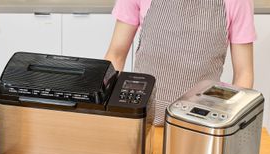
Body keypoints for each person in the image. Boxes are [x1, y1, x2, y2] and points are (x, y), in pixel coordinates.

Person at [105, 0, 256, 126]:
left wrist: (228, 125)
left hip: (202, 127)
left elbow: (244, 72)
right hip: (141, 121)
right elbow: (116, 55)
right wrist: (105, 110)